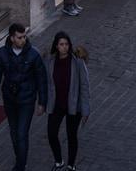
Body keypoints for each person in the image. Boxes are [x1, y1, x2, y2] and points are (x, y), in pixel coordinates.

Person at [0, 23, 48, 171]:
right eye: (19, 37)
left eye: (24, 37)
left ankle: (20, 166)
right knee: (14, 133)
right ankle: (20, 159)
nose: (23, 40)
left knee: (21, 133)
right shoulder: (2, 53)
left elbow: (42, 79)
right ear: (12, 38)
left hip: (27, 100)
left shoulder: (34, 54)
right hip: (9, 99)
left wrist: (42, 102)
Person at [43, 31, 90, 171]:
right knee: (51, 133)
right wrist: (42, 102)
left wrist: (86, 109)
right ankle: (59, 161)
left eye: (66, 44)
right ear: (56, 46)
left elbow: (85, 86)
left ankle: (71, 165)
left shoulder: (77, 62)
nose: (64, 47)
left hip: (73, 106)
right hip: (56, 105)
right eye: (61, 44)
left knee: (71, 136)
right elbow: (45, 82)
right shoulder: (50, 62)